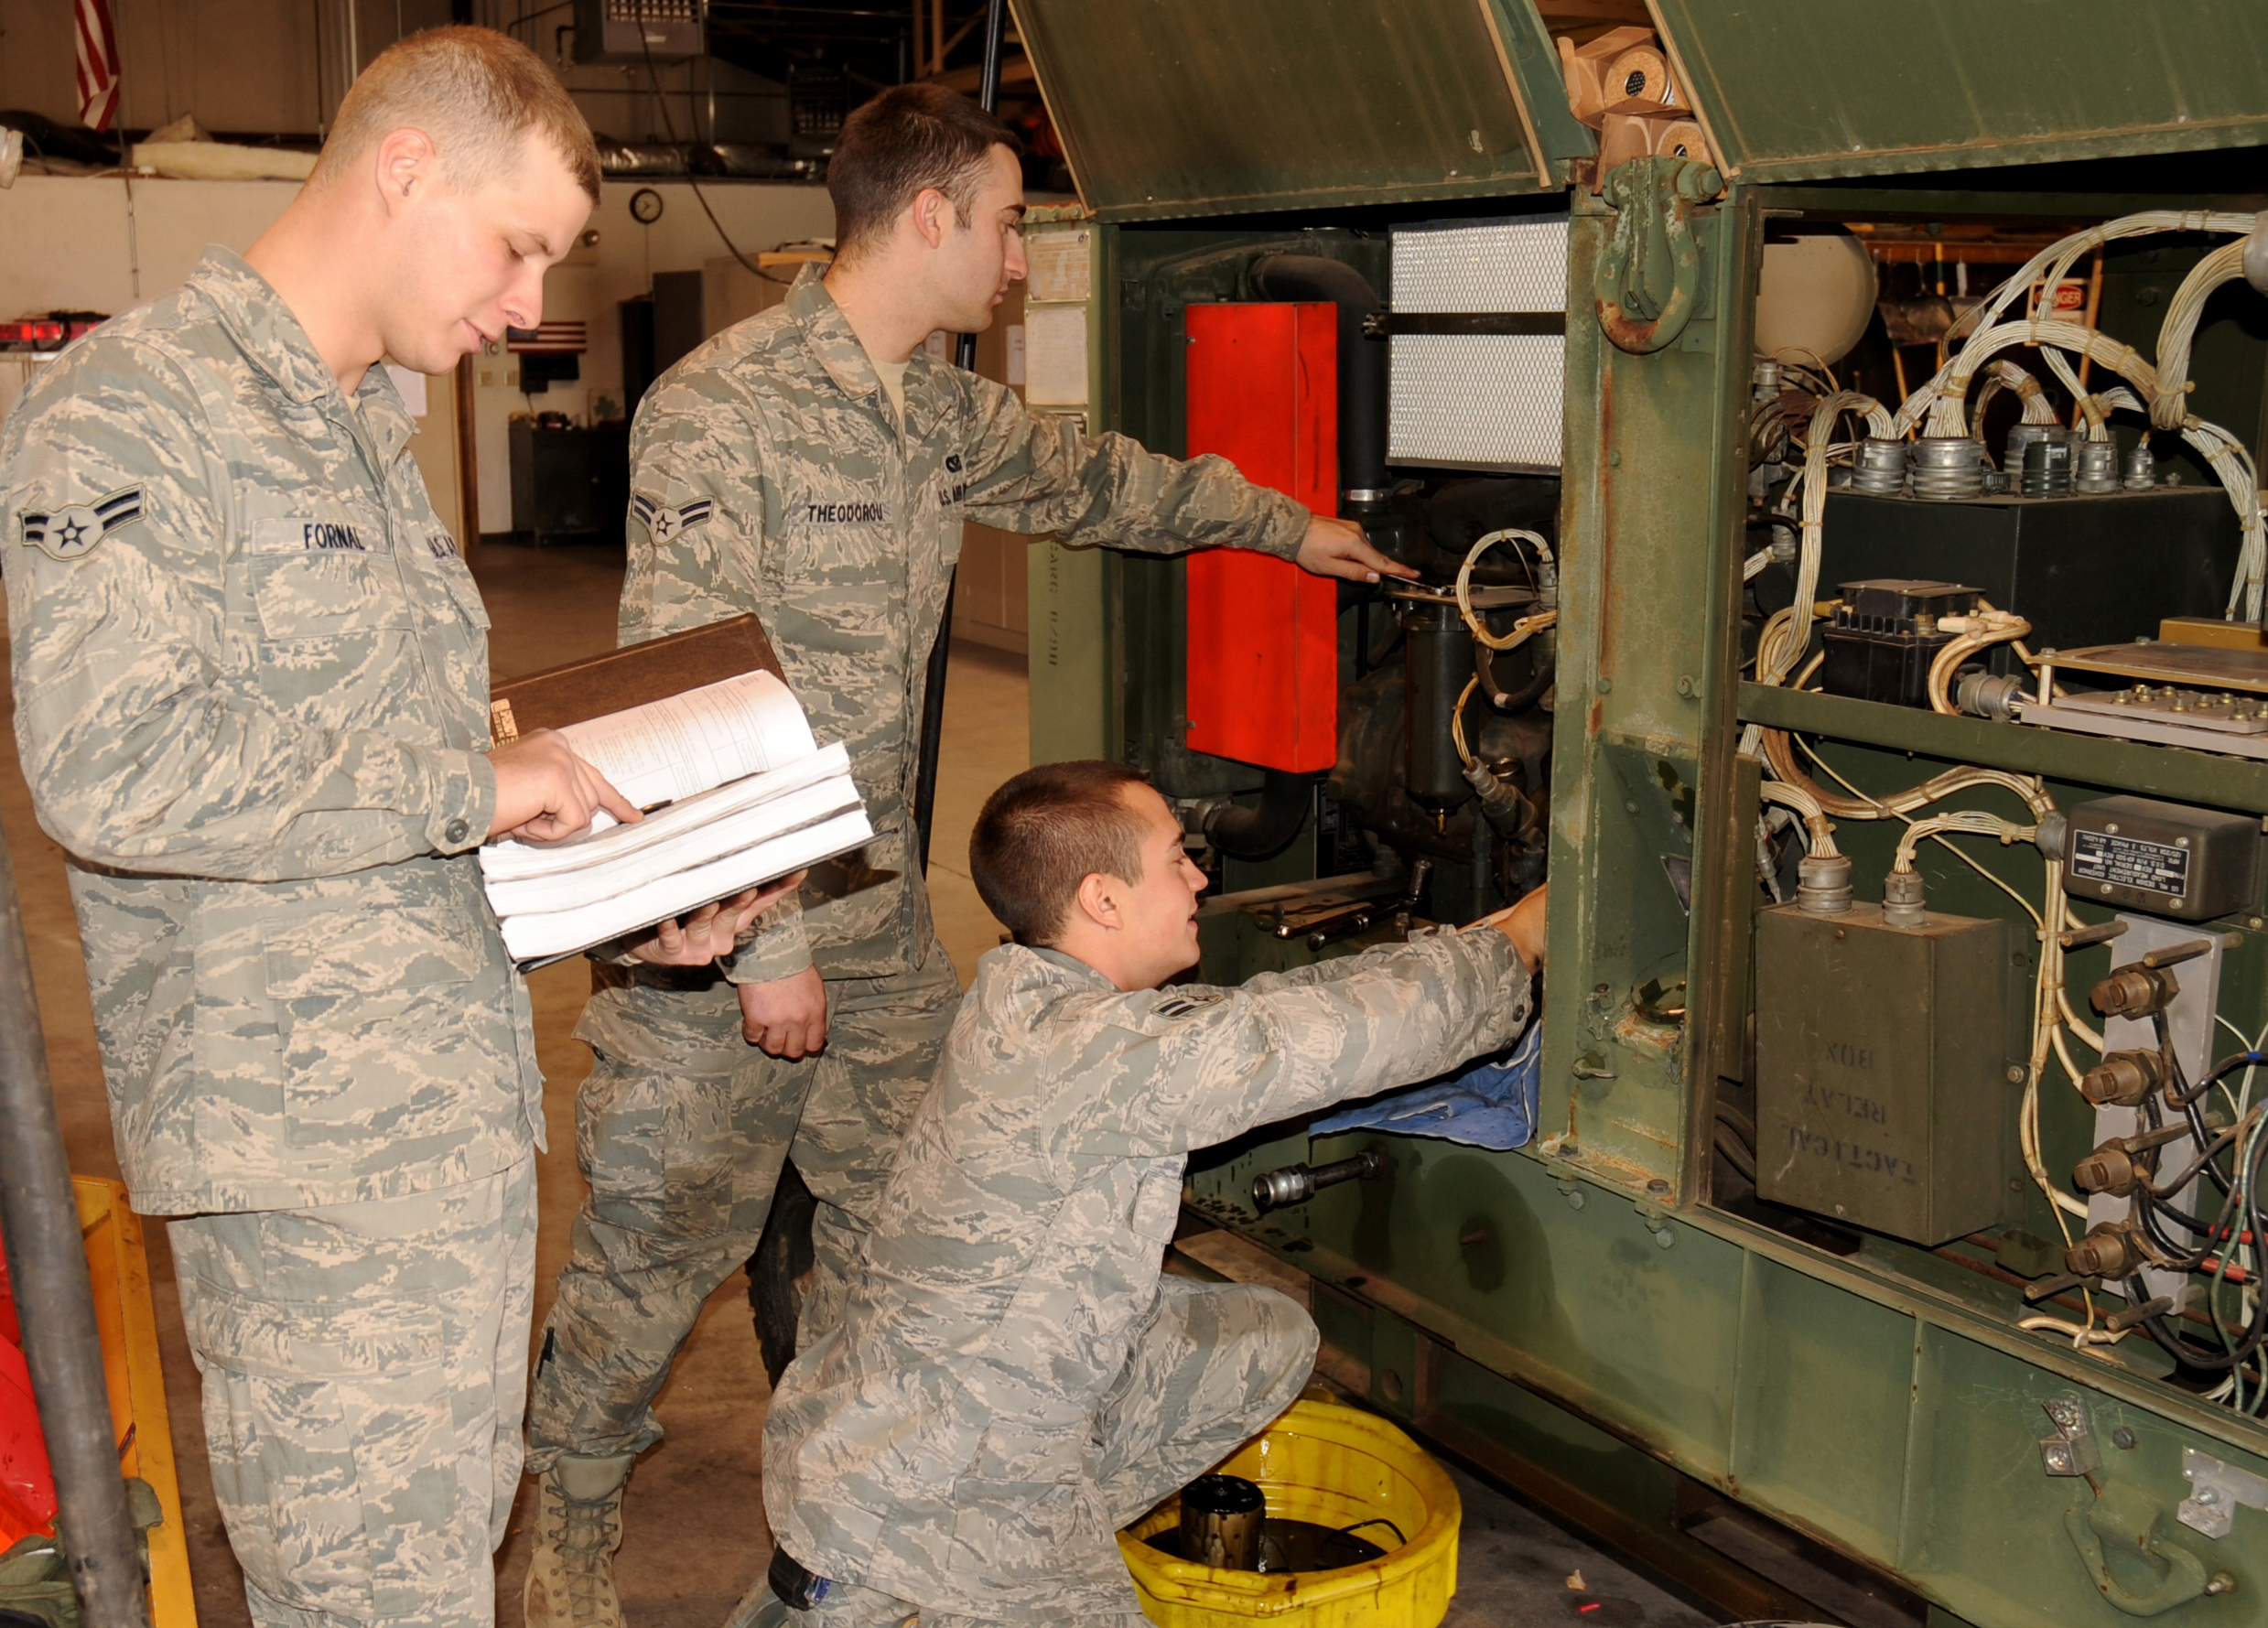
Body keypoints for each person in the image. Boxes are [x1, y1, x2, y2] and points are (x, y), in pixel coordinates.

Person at [519, 82, 1417, 1628]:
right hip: (722, 935)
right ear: (925, 214)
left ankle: (866, 1517)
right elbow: (676, 687)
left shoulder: (936, 411)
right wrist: (768, 945)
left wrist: (1284, 528)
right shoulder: (721, 406)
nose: (1017, 260)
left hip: (876, 929)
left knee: (908, 1241)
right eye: (1004, 223)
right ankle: (574, 1527)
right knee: (655, 1249)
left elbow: (1105, 482)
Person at [0, 28, 781, 1628]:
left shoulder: (358, 424)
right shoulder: (134, 405)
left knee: (423, 1570)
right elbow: (112, 763)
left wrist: (620, 903)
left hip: (442, 1134)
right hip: (310, 1164)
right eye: (517, 248)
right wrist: (481, 781)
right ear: (405, 166)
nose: (523, 305)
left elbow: (390, 799)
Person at [748, 760, 1545, 1626]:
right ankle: (945, 1580)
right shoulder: (1098, 1057)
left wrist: (1468, 943)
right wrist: (1515, 951)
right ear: (1103, 899)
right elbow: (1308, 1041)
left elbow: (1252, 1013)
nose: (1201, 875)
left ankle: (1010, 1536)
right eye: (1177, 857)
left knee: (1268, 1334)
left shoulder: (1029, 999)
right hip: (939, 1487)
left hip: (896, 1421)